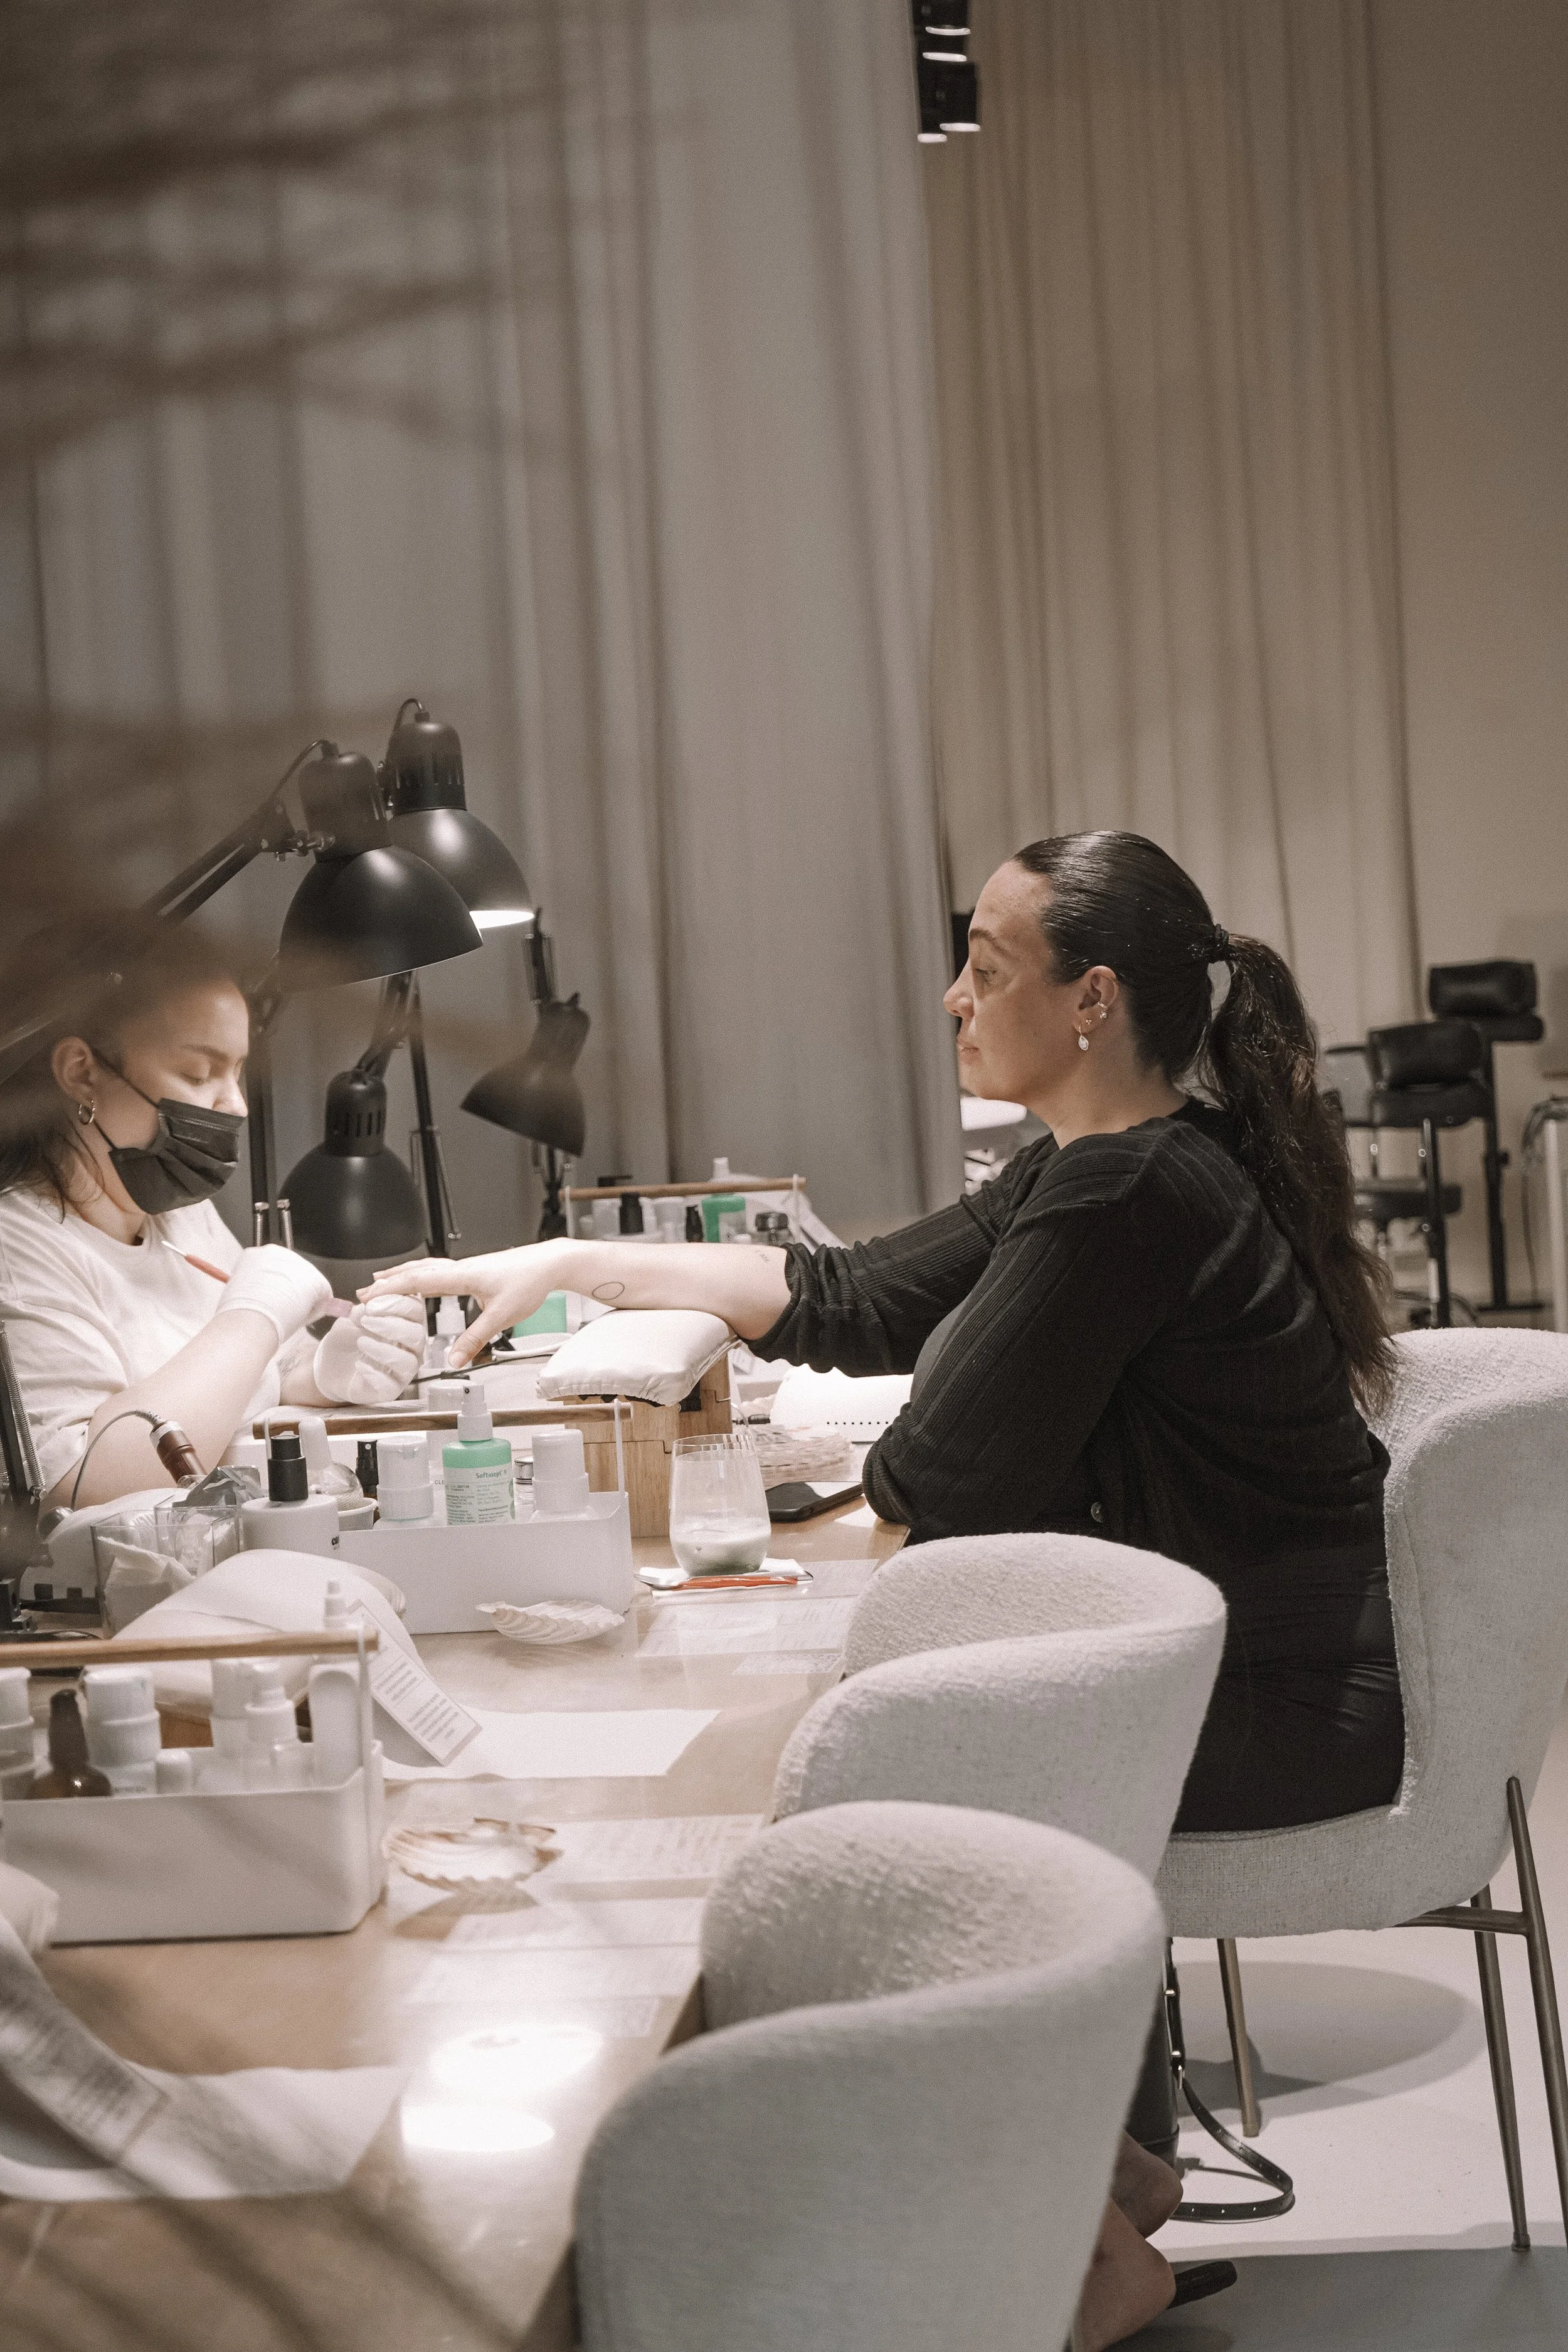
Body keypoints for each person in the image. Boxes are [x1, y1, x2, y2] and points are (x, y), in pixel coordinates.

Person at [361, 830, 1403, 2344]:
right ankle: (1099, 2179)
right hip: (1235, 1662)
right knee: (912, 1736)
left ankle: (1074, 2222)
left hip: (1288, 1708)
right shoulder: (1105, 1160)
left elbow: (937, 1472)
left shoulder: (1127, 1193)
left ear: (1092, 997)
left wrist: (889, 1401)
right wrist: (571, 1261)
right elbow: (846, 1298)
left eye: (985, 967)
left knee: (859, 1782)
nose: (950, 997)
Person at [0, 923, 426, 1507]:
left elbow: (253, 1375)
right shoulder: (17, 1248)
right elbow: (77, 1483)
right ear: (81, 1072)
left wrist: (332, 1369)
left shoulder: (179, 1213)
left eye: (238, 1072)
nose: (237, 1105)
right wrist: (251, 1318)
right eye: (200, 1074)